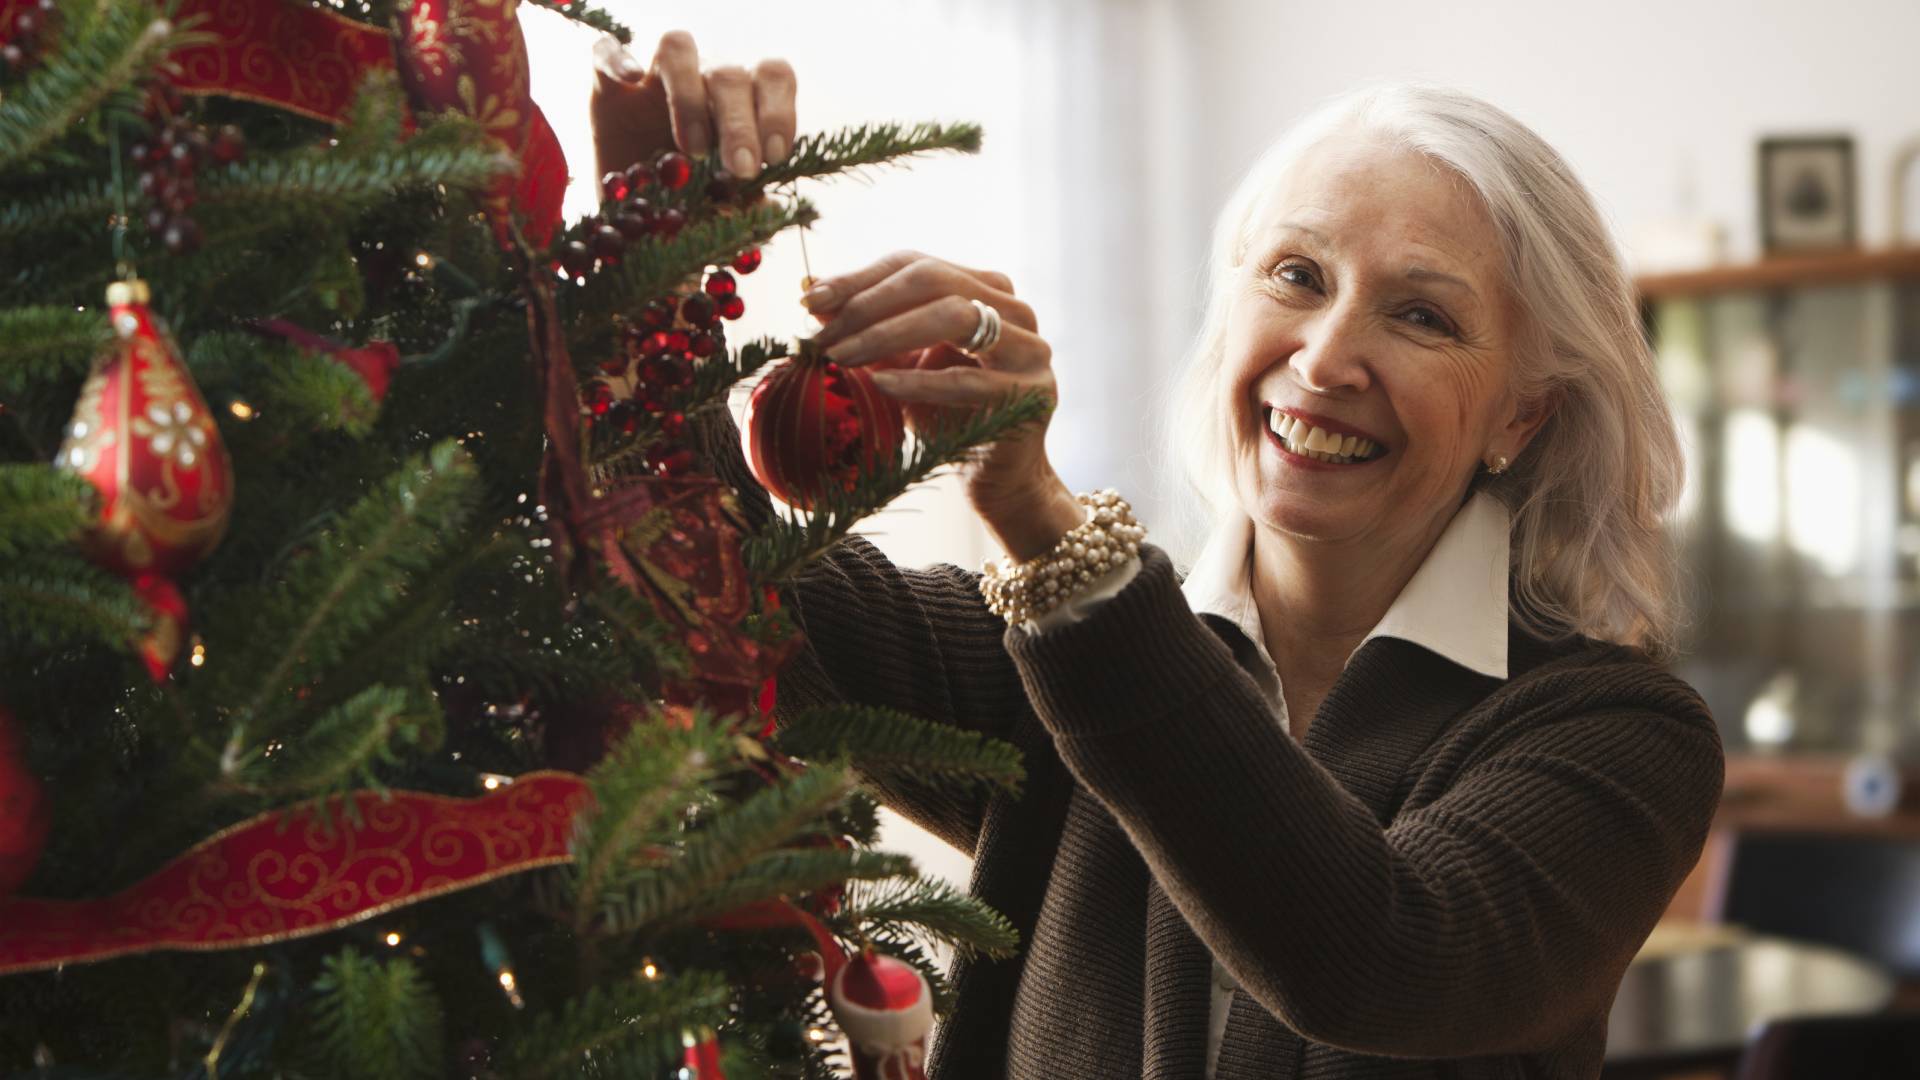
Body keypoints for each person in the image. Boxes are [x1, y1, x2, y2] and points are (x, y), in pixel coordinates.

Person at [596, 47, 1723, 1080]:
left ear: (1523, 414)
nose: (1326, 358)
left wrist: (1043, 524)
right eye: (1297, 275)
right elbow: (712, 595)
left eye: (1422, 316)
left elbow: (1382, 956)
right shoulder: (1048, 661)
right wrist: (647, 271)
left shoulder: (1619, 736)